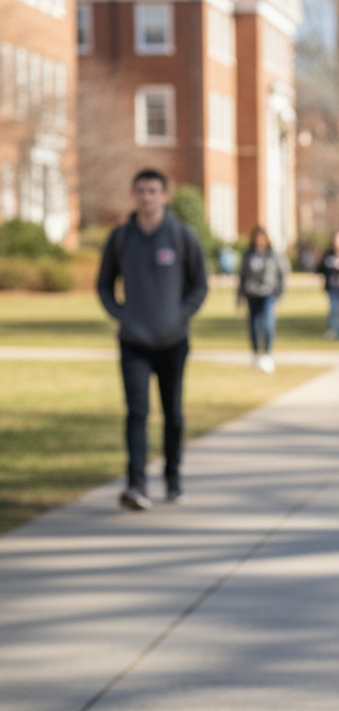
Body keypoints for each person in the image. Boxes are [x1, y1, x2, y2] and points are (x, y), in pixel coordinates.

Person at [96, 169, 208, 510]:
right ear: (134, 195)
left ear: (165, 195)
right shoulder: (121, 238)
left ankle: (173, 479)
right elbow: (103, 285)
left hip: (173, 341)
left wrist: (180, 315)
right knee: (137, 412)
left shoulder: (181, 236)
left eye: (153, 191)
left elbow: (199, 285)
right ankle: (136, 485)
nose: (147, 197)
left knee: (173, 413)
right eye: (141, 191)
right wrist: (122, 315)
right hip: (134, 342)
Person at [237, 225, 289, 372]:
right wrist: (240, 295)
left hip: (268, 293)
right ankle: (255, 353)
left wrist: (281, 291)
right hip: (252, 293)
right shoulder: (248, 255)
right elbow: (242, 276)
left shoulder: (273, 255)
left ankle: (267, 353)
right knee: (253, 325)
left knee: (268, 323)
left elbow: (281, 273)